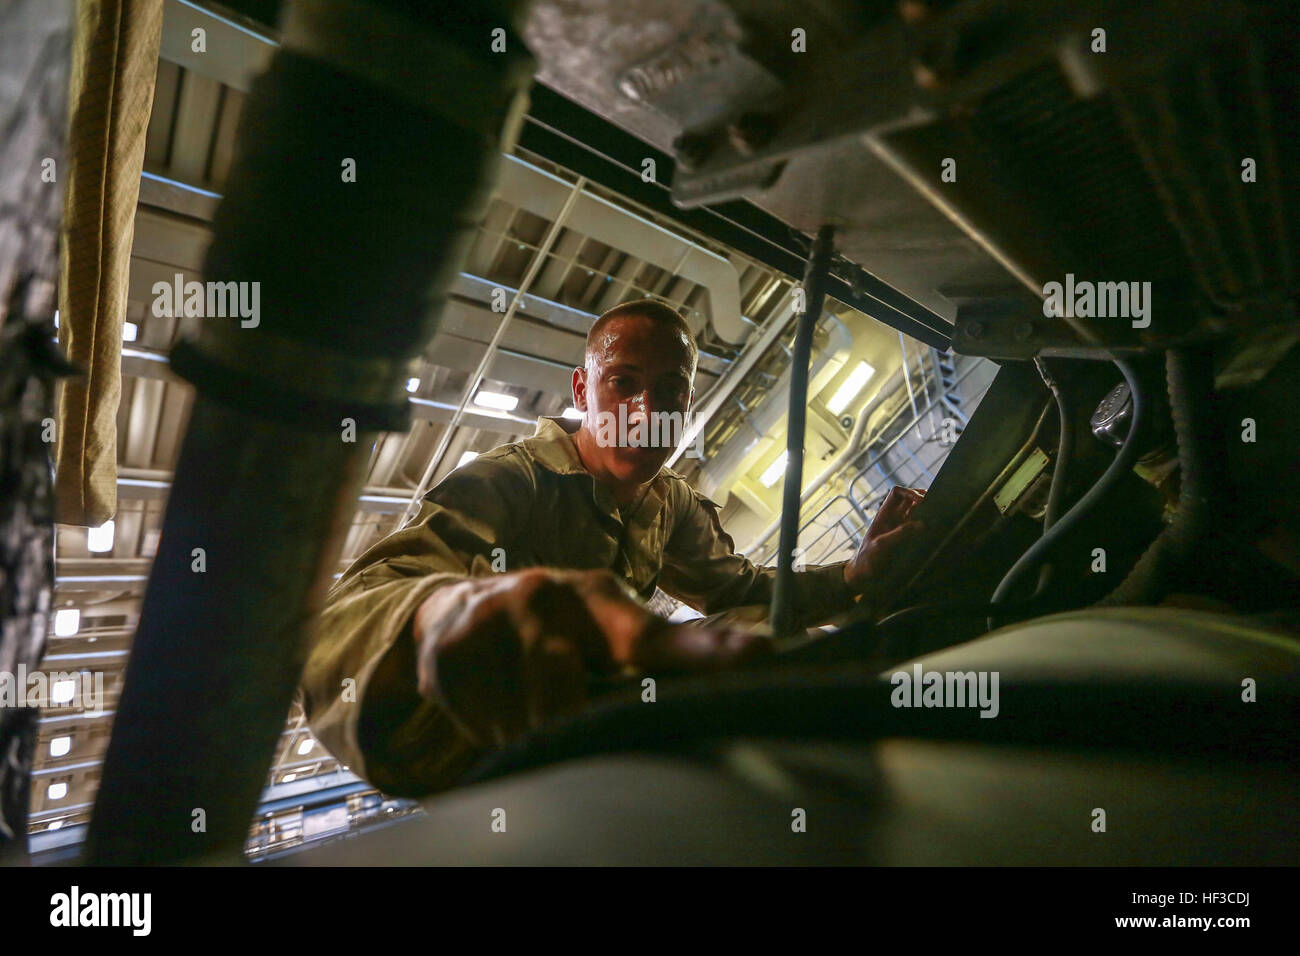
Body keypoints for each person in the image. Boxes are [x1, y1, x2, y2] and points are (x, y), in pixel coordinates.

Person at [301, 299, 924, 795]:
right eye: (623, 382)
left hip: (603, 744)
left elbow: (741, 590)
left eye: (671, 389)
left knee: (762, 633)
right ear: (581, 390)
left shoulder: (669, 501)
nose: (647, 409)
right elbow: (344, 614)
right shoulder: (513, 480)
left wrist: (852, 574)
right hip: (474, 762)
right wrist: (439, 614)